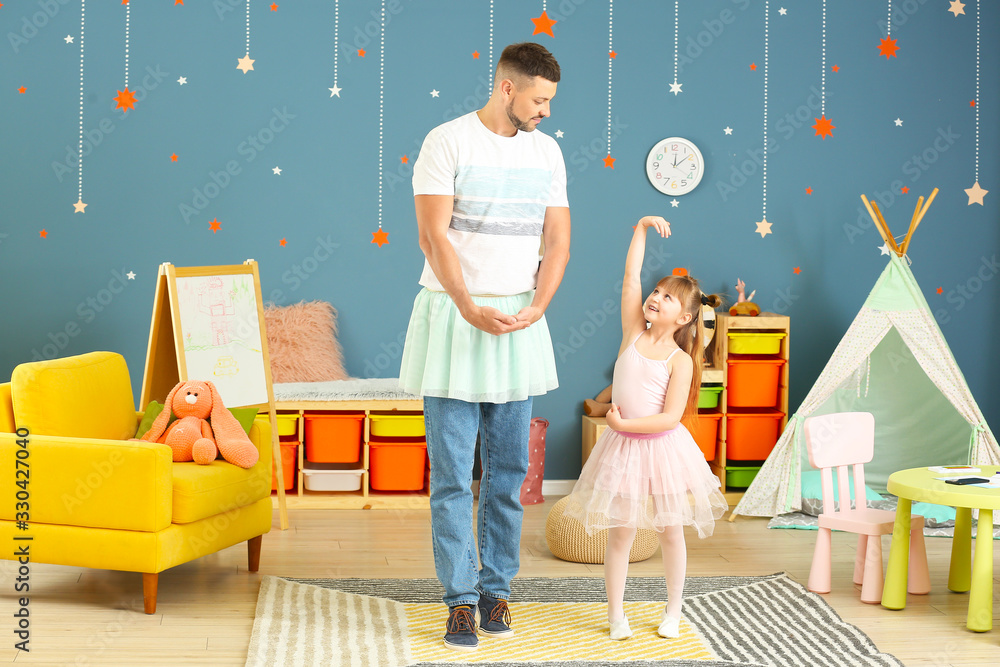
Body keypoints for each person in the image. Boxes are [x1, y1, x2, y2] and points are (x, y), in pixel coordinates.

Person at [398, 42, 570, 652]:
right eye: (540, 99)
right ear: (507, 89)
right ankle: (460, 601)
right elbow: (432, 235)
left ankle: (497, 587)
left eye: (550, 101)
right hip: (452, 317)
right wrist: (469, 306)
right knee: (451, 477)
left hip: (519, 322)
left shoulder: (547, 152)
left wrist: (537, 308)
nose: (546, 111)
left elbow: (558, 241)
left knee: (508, 474)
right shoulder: (446, 141)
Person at [563, 215, 727, 641]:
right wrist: (640, 228)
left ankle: (674, 610)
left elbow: (671, 418)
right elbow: (629, 277)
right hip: (624, 447)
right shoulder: (632, 333)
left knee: (671, 531)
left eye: (667, 298)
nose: (654, 298)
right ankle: (616, 616)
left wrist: (625, 423)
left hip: (661, 448)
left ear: (686, 317)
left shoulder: (681, 361)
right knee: (621, 533)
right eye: (656, 291)